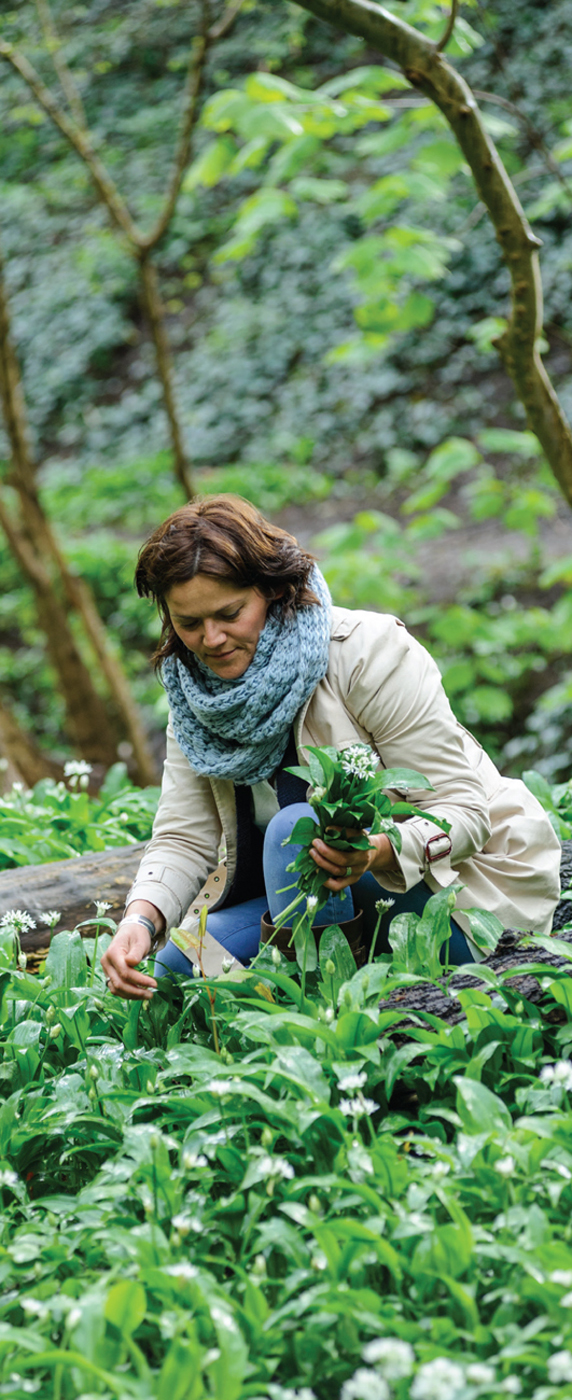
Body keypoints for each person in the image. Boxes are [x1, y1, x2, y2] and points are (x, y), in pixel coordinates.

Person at [101, 495, 561, 1000]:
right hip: (299, 898)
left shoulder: (367, 653)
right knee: (169, 978)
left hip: (457, 894)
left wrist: (378, 852)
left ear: (273, 592)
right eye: (189, 624)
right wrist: (141, 919)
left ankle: (332, 1018)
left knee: (293, 829)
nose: (211, 639)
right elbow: (183, 838)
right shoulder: (197, 697)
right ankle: (307, 986)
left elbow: (466, 811)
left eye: (230, 613)